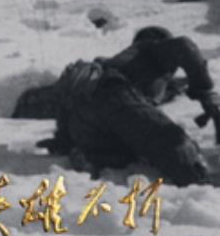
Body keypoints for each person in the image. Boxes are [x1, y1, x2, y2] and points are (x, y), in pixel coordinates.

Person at [38, 26, 220, 186]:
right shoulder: (150, 48)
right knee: (171, 142)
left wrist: (64, 139)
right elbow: (185, 46)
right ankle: (201, 182)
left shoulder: (117, 65)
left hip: (84, 121)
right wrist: (204, 90)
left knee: (135, 150)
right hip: (116, 96)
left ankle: (91, 156)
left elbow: (166, 90)